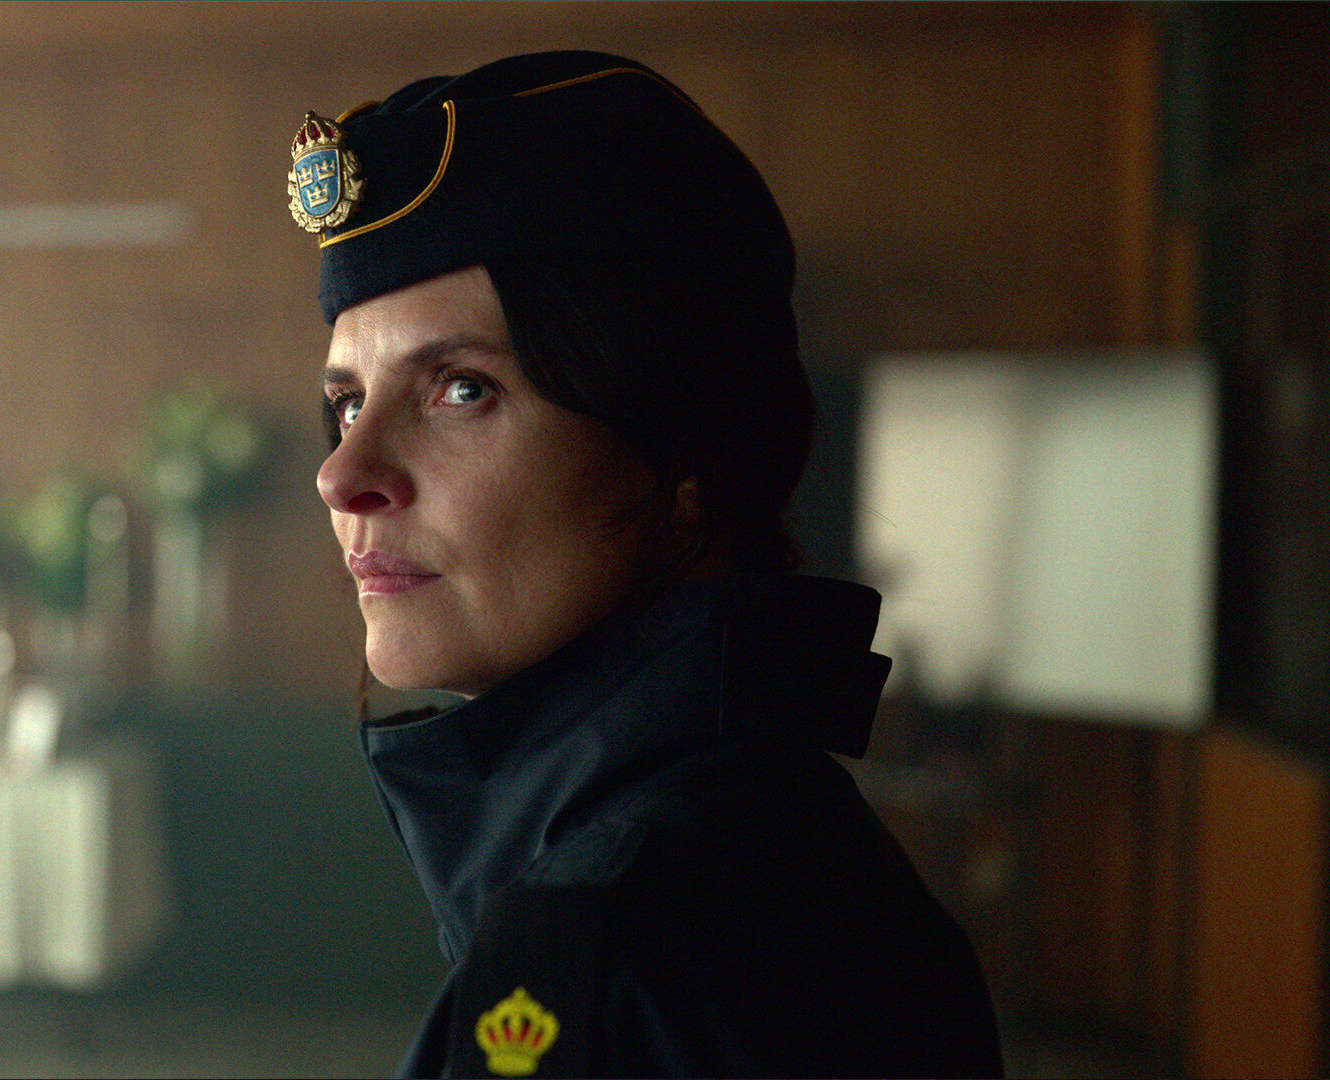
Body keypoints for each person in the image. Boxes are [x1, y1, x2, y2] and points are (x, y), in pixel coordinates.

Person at [288, 51, 1003, 1078]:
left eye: (461, 389)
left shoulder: (609, 948)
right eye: (349, 402)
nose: (343, 475)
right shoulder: (774, 845)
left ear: (685, 453)